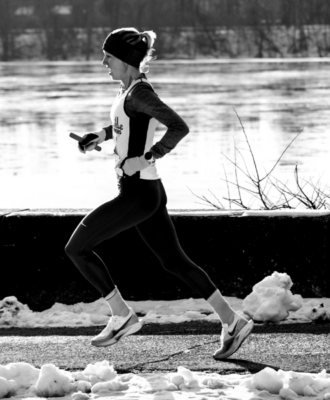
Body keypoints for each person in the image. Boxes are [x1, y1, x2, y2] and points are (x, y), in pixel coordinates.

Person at [64, 27, 253, 360]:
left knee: (77, 248)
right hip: (147, 191)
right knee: (175, 261)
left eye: (108, 57)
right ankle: (232, 321)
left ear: (125, 60)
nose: (103, 62)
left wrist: (149, 155)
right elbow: (129, 125)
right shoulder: (130, 91)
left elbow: (179, 126)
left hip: (137, 193)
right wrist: (102, 135)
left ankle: (122, 316)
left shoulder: (139, 93)